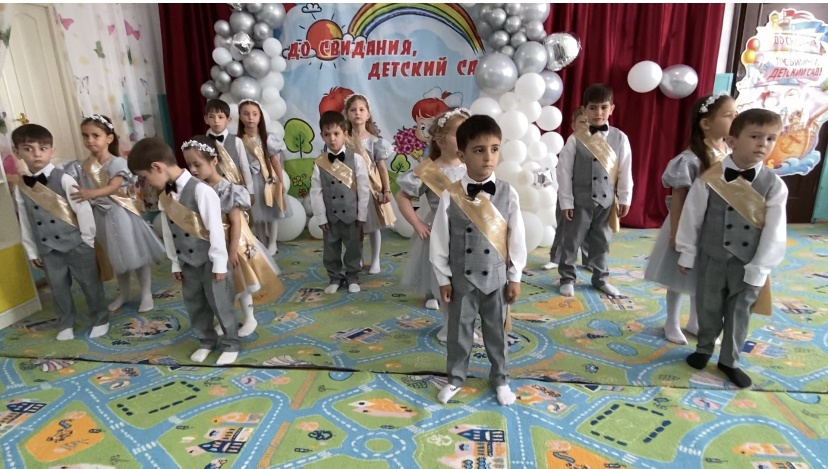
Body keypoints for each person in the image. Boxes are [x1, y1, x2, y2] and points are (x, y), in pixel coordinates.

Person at [676, 109, 787, 388]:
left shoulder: (774, 185)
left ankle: (730, 361)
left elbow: (775, 231)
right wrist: (687, 252)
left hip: (747, 264)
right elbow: (692, 216)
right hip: (712, 258)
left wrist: (760, 267)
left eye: (770, 138)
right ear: (732, 140)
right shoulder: (710, 177)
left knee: (740, 313)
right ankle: (704, 349)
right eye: (755, 136)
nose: (763, 144)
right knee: (708, 307)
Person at [430, 114, 526, 406]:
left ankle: (501, 379)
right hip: (463, 279)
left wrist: (515, 276)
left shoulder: (508, 193)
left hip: (496, 280)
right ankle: (455, 378)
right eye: (479, 150)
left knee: (496, 333)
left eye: (494, 149)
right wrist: (443, 278)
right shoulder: (451, 195)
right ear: (462, 155)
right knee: (459, 333)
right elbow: (440, 239)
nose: (488, 157)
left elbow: (516, 239)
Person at [127, 137, 240, 365]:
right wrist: (175, 262)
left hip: (210, 261)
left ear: (157, 167)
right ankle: (206, 341)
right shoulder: (165, 196)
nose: (146, 183)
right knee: (194, 303)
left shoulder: (202, 191)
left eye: (145, 177)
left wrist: (220, 263)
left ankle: (231, 343)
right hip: (187, 261)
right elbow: (168, 232)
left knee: (220, 303)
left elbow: (216, 230)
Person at [644, 93, 736, 344]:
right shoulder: (690, 159)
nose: (735, 120)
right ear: (706, 123)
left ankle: (695, 320)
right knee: (679, 276)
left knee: (703, 276)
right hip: (686, 225)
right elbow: (678, 199)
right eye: (729, 116)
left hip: (713, 227)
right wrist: (676, 233)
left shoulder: (729, 153)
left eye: (736, 115)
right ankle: (671, 322)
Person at [12, 124, 109, 340]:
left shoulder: (64, 179)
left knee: (90, 283)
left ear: (51, 150)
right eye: (28, 149)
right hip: (47, 248)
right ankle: (66, 323)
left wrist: (87, 240)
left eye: (43, 148)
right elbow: (25, 221)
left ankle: (100, 318)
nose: (37, 154)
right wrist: (32, 251)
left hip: (76, 243)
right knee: (58, 288)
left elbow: (82, 210)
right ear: (17, 152)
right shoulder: (22, 187)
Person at [182, 136, 283, 338]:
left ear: (214, 161)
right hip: (212, 241)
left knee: (242, 281)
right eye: (189, 165)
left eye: (197, 165)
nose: (192, 170)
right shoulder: (198, 188)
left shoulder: (227, 189)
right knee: (221, 285)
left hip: (233, 241)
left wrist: (232, 250)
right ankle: (226, 319)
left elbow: (236, 221)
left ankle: (250, 317)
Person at [70, 114, 165, 313]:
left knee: (135, 254)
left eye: (95, 135)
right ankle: (124, 293)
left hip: (121, 214)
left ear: (109, 138)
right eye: (85, 136)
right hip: (100, 216)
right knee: (117, 257)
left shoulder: (118, 163)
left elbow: (114, 187)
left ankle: (146, 293)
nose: (90, 140)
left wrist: (91, 194)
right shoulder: (82, 166)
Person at [396, 108, 469, 341]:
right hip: (441, 235)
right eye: (459, 133)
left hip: (470, 235)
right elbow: (402, 196)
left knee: (467, 284)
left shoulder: (471, 165)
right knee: (444, 284)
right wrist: (417, 223)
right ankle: (448, 325)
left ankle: (466, 325)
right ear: (440, 139)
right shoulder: (428, 170)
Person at [556, 84, 633, 297]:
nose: (598, 112)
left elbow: (625, 170)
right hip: (579, 201)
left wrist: (625, 197)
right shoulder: (575, 139)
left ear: (612, 109)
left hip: (606, 202)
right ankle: (567, 278)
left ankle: (601, 278)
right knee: (572, 241)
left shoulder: (621, 138)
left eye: (603, 107)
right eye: (592, 108)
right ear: (584, 110)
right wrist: (566, 201)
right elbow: (564, 172)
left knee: (602, 241)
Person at [310, 111, 370, 294]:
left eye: (336, 134)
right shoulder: (320, 162)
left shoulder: (356, 159)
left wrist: (362, 215)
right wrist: (321, 217)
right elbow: (316, 192)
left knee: (353, 248)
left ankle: (352, 277)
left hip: (352, 216)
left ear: (345, 133)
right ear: (322, 136)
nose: (332, 139)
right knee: (330, 250)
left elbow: (364, 188)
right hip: (331, 217)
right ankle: (335, 277)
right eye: (327, 134)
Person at [343, 93, 395, 274]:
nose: (357, 113)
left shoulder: (375, 141)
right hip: (351, 189)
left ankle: (375, 260)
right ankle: (357, 259)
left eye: (361, 109)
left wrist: (386, 190)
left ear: (368, 114)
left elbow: (381, 168)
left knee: (373, 227)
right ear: (347, 114)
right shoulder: (343, 139)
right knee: (355, 228)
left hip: (372, 189)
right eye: (353, 110)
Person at [237, 99, 288, 255]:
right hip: (250, 180)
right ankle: (262, 241)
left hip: (268, 179)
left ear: (260, 117)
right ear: (240, 116)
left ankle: (272, 242)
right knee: (257, 212)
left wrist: (280, 181)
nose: (250, 118)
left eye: (254, 114)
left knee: (272, 210)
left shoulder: (268, 138)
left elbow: (275, 161)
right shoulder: (238, 140)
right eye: (246, 114)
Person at [543, 107, 590, 271]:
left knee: (588, 227)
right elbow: (563, 172)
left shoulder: (598, 146)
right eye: (582, 122)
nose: (586, 126)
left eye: (589, 122)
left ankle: (589, 260)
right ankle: (556, 258)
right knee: (564, 226)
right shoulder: (571, 143)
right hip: (568, 192)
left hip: (589, 194)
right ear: (573, 125)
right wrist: (565, 197)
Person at [204, 99, 253, 198]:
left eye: (220, 117)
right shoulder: (203, 142)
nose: (216, 121)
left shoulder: (237, 141)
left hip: (235, 188)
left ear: (229, 120)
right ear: (206, 119)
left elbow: (244, 167)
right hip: (212, 190)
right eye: (211, 117)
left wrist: (250, 191)